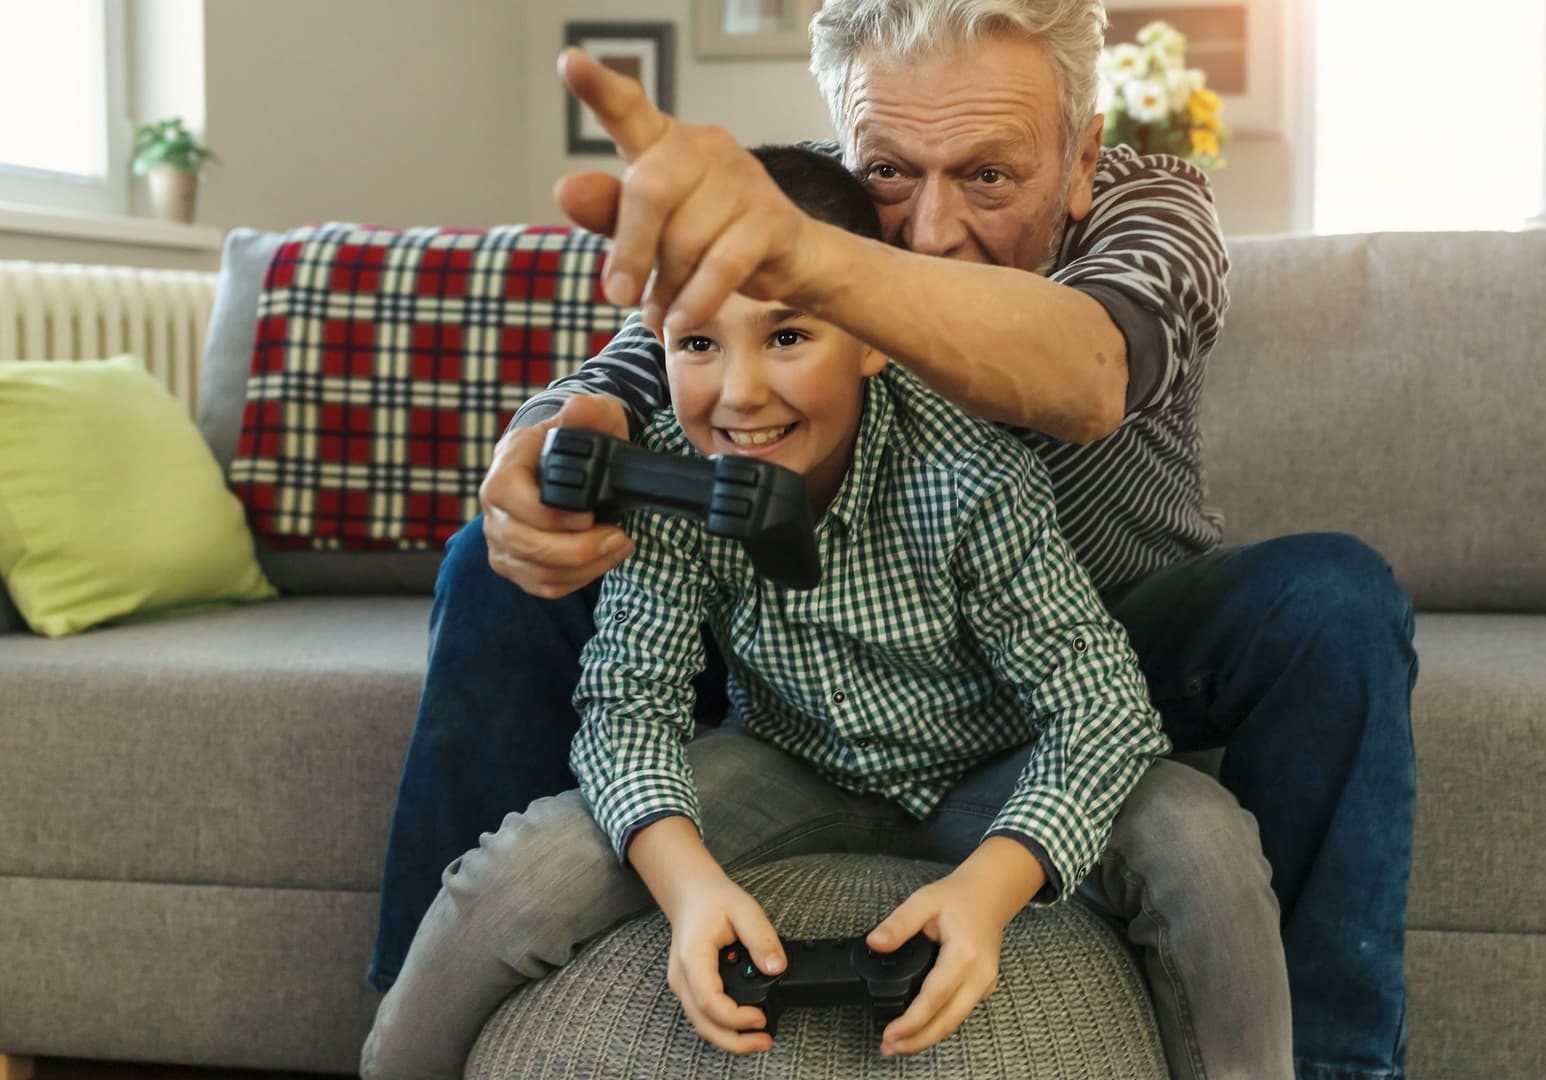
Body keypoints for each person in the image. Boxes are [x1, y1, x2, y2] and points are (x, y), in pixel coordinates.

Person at [370, 2, 1419, 1078]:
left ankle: (1339, 1062)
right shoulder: (813, 209)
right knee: (487, 564)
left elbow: (1086, 373)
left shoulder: (1152, 208)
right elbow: (647, 373)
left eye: (989, 177)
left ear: (1081, 158)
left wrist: (825, 271)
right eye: (891, 174)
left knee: (1335, 601)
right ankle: (426, 997)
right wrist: (555, 464)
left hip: (1113, 631)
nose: (927, 231)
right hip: (816, 671)